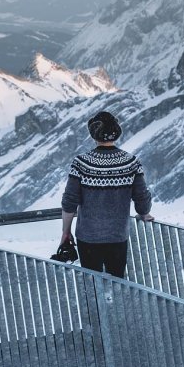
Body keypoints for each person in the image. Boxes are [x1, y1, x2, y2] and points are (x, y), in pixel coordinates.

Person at [60, 110, 154, 278]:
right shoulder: (131, 162)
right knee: (117, 284)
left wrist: (66, 233)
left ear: (94, 134)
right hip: (117, 236)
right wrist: (144, 213)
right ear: (116, 133)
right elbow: (142, 197)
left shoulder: (81, 163)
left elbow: (69, 201)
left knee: (92, 287)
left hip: (88, 237)